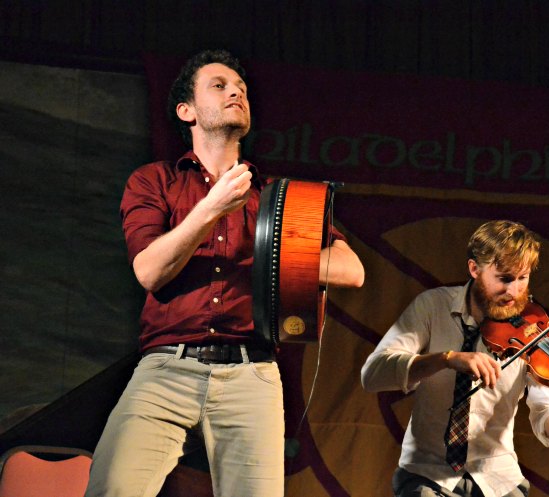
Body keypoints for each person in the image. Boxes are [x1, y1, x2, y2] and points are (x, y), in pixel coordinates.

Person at [85, 49, 365, 497]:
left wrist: (272, 256)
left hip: (251, 372)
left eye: (242, 88)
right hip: (165, 368)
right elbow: (150, 272)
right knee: (111, 489)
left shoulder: (276, 197)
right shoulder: (155, 181)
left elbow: (352, 271)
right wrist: (211, 209)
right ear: (187, 111)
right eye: (219, 85)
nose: (237, 90)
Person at [361, 220, 549, 497]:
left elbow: (548, 425)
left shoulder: (538, 330)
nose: (514, 292)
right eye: (504, 278)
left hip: (497, 478)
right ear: (474, 269)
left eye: (522, 279)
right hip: (427, 474)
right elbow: (373, 375)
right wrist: (446, 359)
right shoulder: (432, 307)